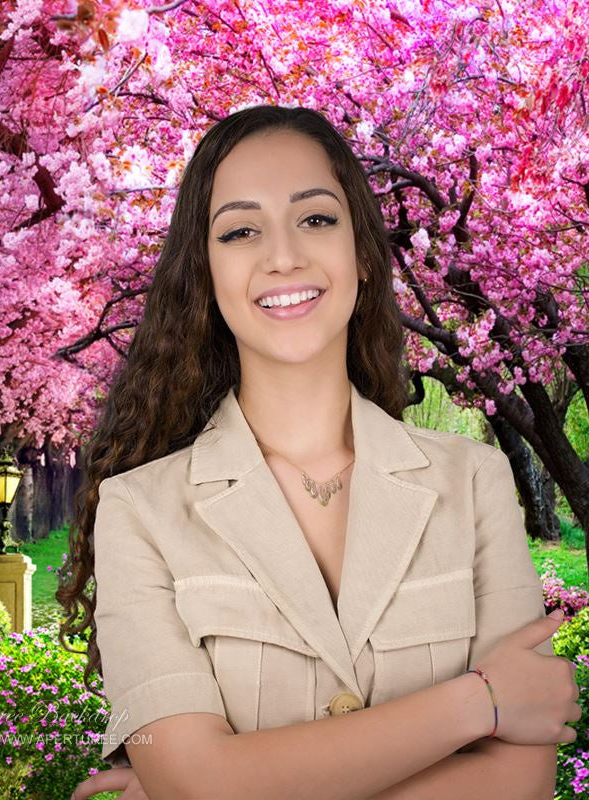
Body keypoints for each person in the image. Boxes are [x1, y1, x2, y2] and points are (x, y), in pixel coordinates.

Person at [57, 105, 581, 800]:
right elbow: (195, 784)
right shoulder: (140, 511)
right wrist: (478, 703)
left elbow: (519, 784)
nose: (283, 256)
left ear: (362, 253)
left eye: (316, 219)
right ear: (205, 274)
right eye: (241, 231)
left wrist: (228, 782)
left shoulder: (474, 482)